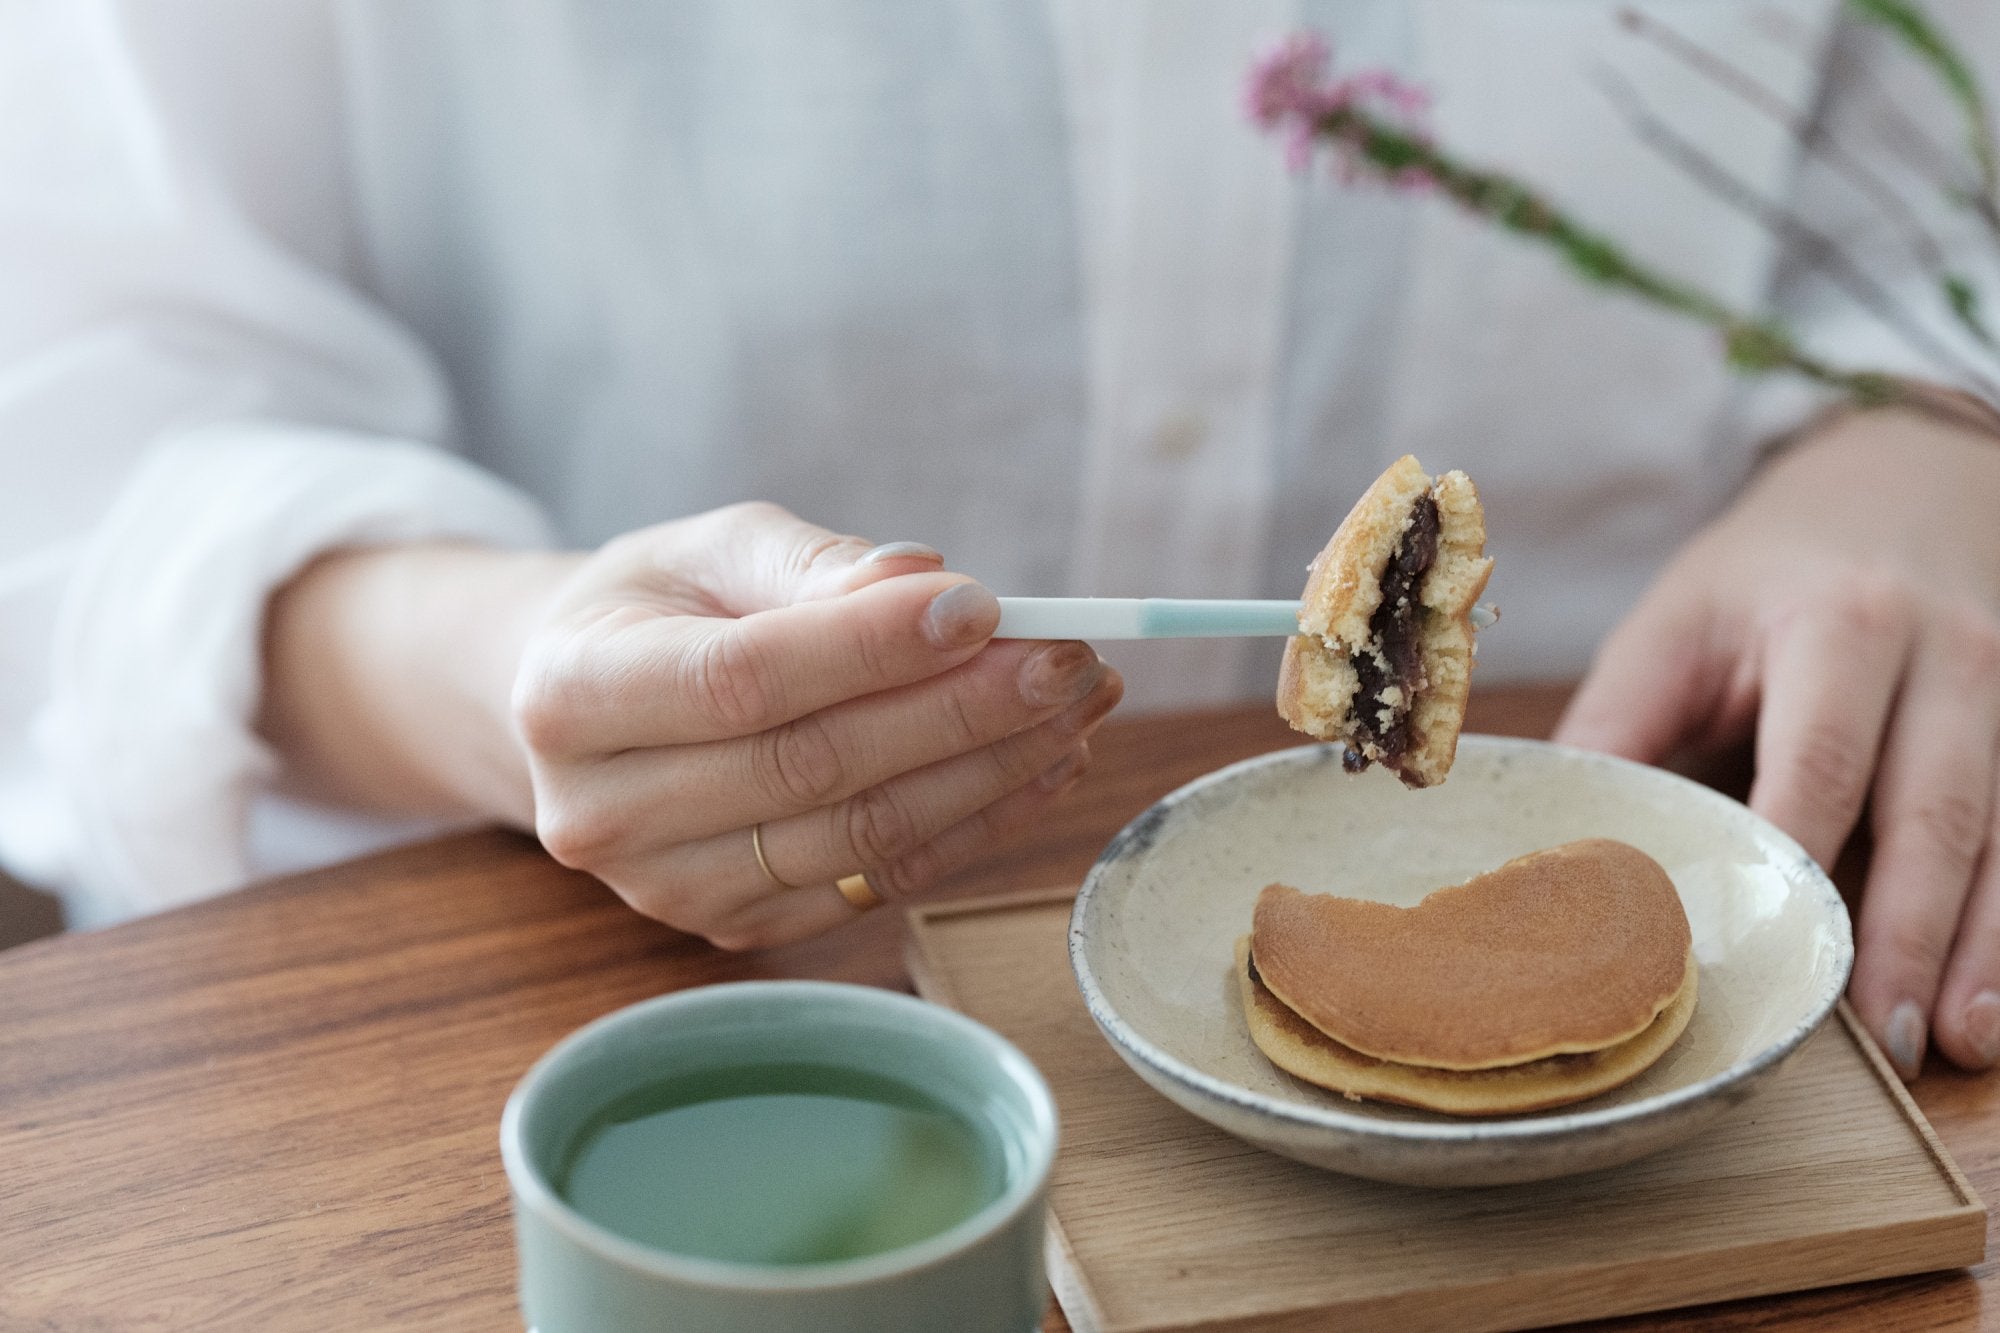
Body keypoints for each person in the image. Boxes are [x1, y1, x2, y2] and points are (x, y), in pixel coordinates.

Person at [2, 1, 1997, 1083]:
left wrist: (1938, 440)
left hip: (1751, 932)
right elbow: (97, 406)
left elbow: (1935, 200)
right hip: (592, 1019)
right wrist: (515, 671)